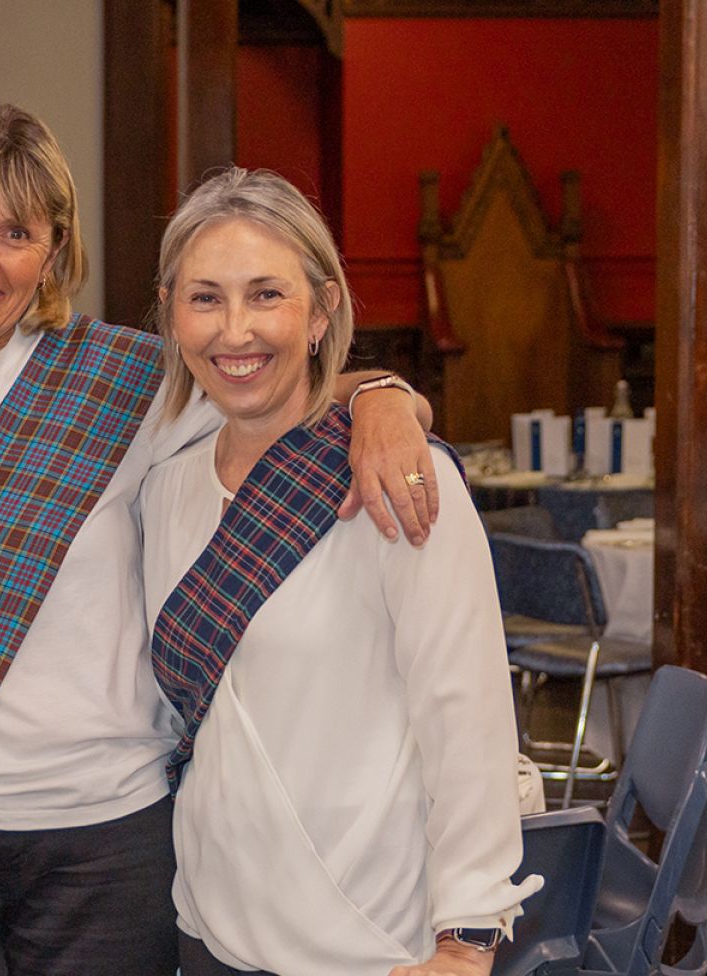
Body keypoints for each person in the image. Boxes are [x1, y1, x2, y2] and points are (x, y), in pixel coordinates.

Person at [0, 104, 441, 976]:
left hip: (109, 844)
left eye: (15, 231)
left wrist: (386, 395)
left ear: (52, 251)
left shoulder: (131, 386)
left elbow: (285, 395)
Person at [140, 168, 535, 976]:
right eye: (206, 297)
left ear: (321, 310)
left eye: (267, 296)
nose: (235, 330)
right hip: (211, 922)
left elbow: (467, 715)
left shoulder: (399, 479)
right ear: (172, 313)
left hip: (371, 929)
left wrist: (466, 937)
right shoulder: (165, 485)